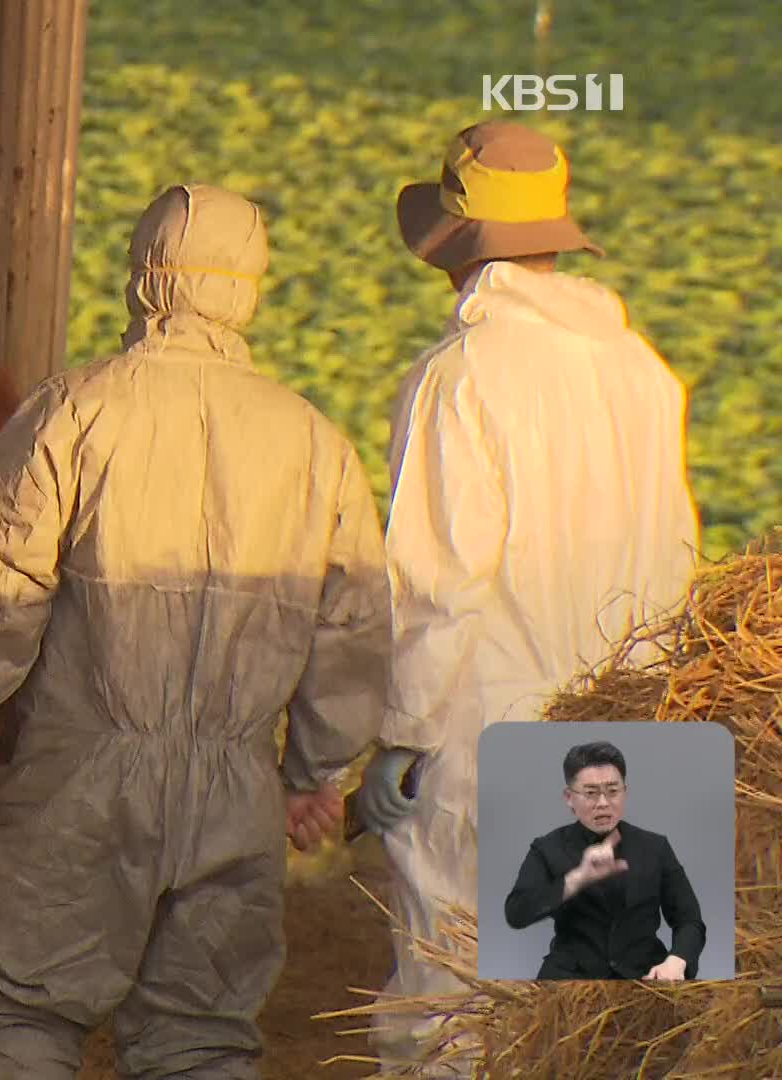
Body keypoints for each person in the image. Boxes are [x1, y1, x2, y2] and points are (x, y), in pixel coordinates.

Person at [0, 183, 393, 1079]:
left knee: (18, 1015)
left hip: (76, 779)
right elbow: (351, 624)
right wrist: (315, 771)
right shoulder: (315, 444)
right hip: (233, 789)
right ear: (249, 289)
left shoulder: (69, 413)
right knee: (199, 1039)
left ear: (143, 278)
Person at [351, 119, 701, 1074]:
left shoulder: (460, 377)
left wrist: (401, 737)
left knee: (454, 1017)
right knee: (603, 1031)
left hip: (484, 737)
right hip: (632, 728)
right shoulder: (642, 373)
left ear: (454, 248)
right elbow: (676, 555)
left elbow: (438, 585)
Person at [501, 740, 705, 981]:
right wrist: (577, 879)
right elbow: (516, 913)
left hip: (644, 979)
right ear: (569, 797)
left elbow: (690, 920)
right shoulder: (547, 848)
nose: (603, 803)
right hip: (570, 981)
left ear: (625, 792)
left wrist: (677, 961)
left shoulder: (655, 847)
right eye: (590, 793)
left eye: (612, 791)